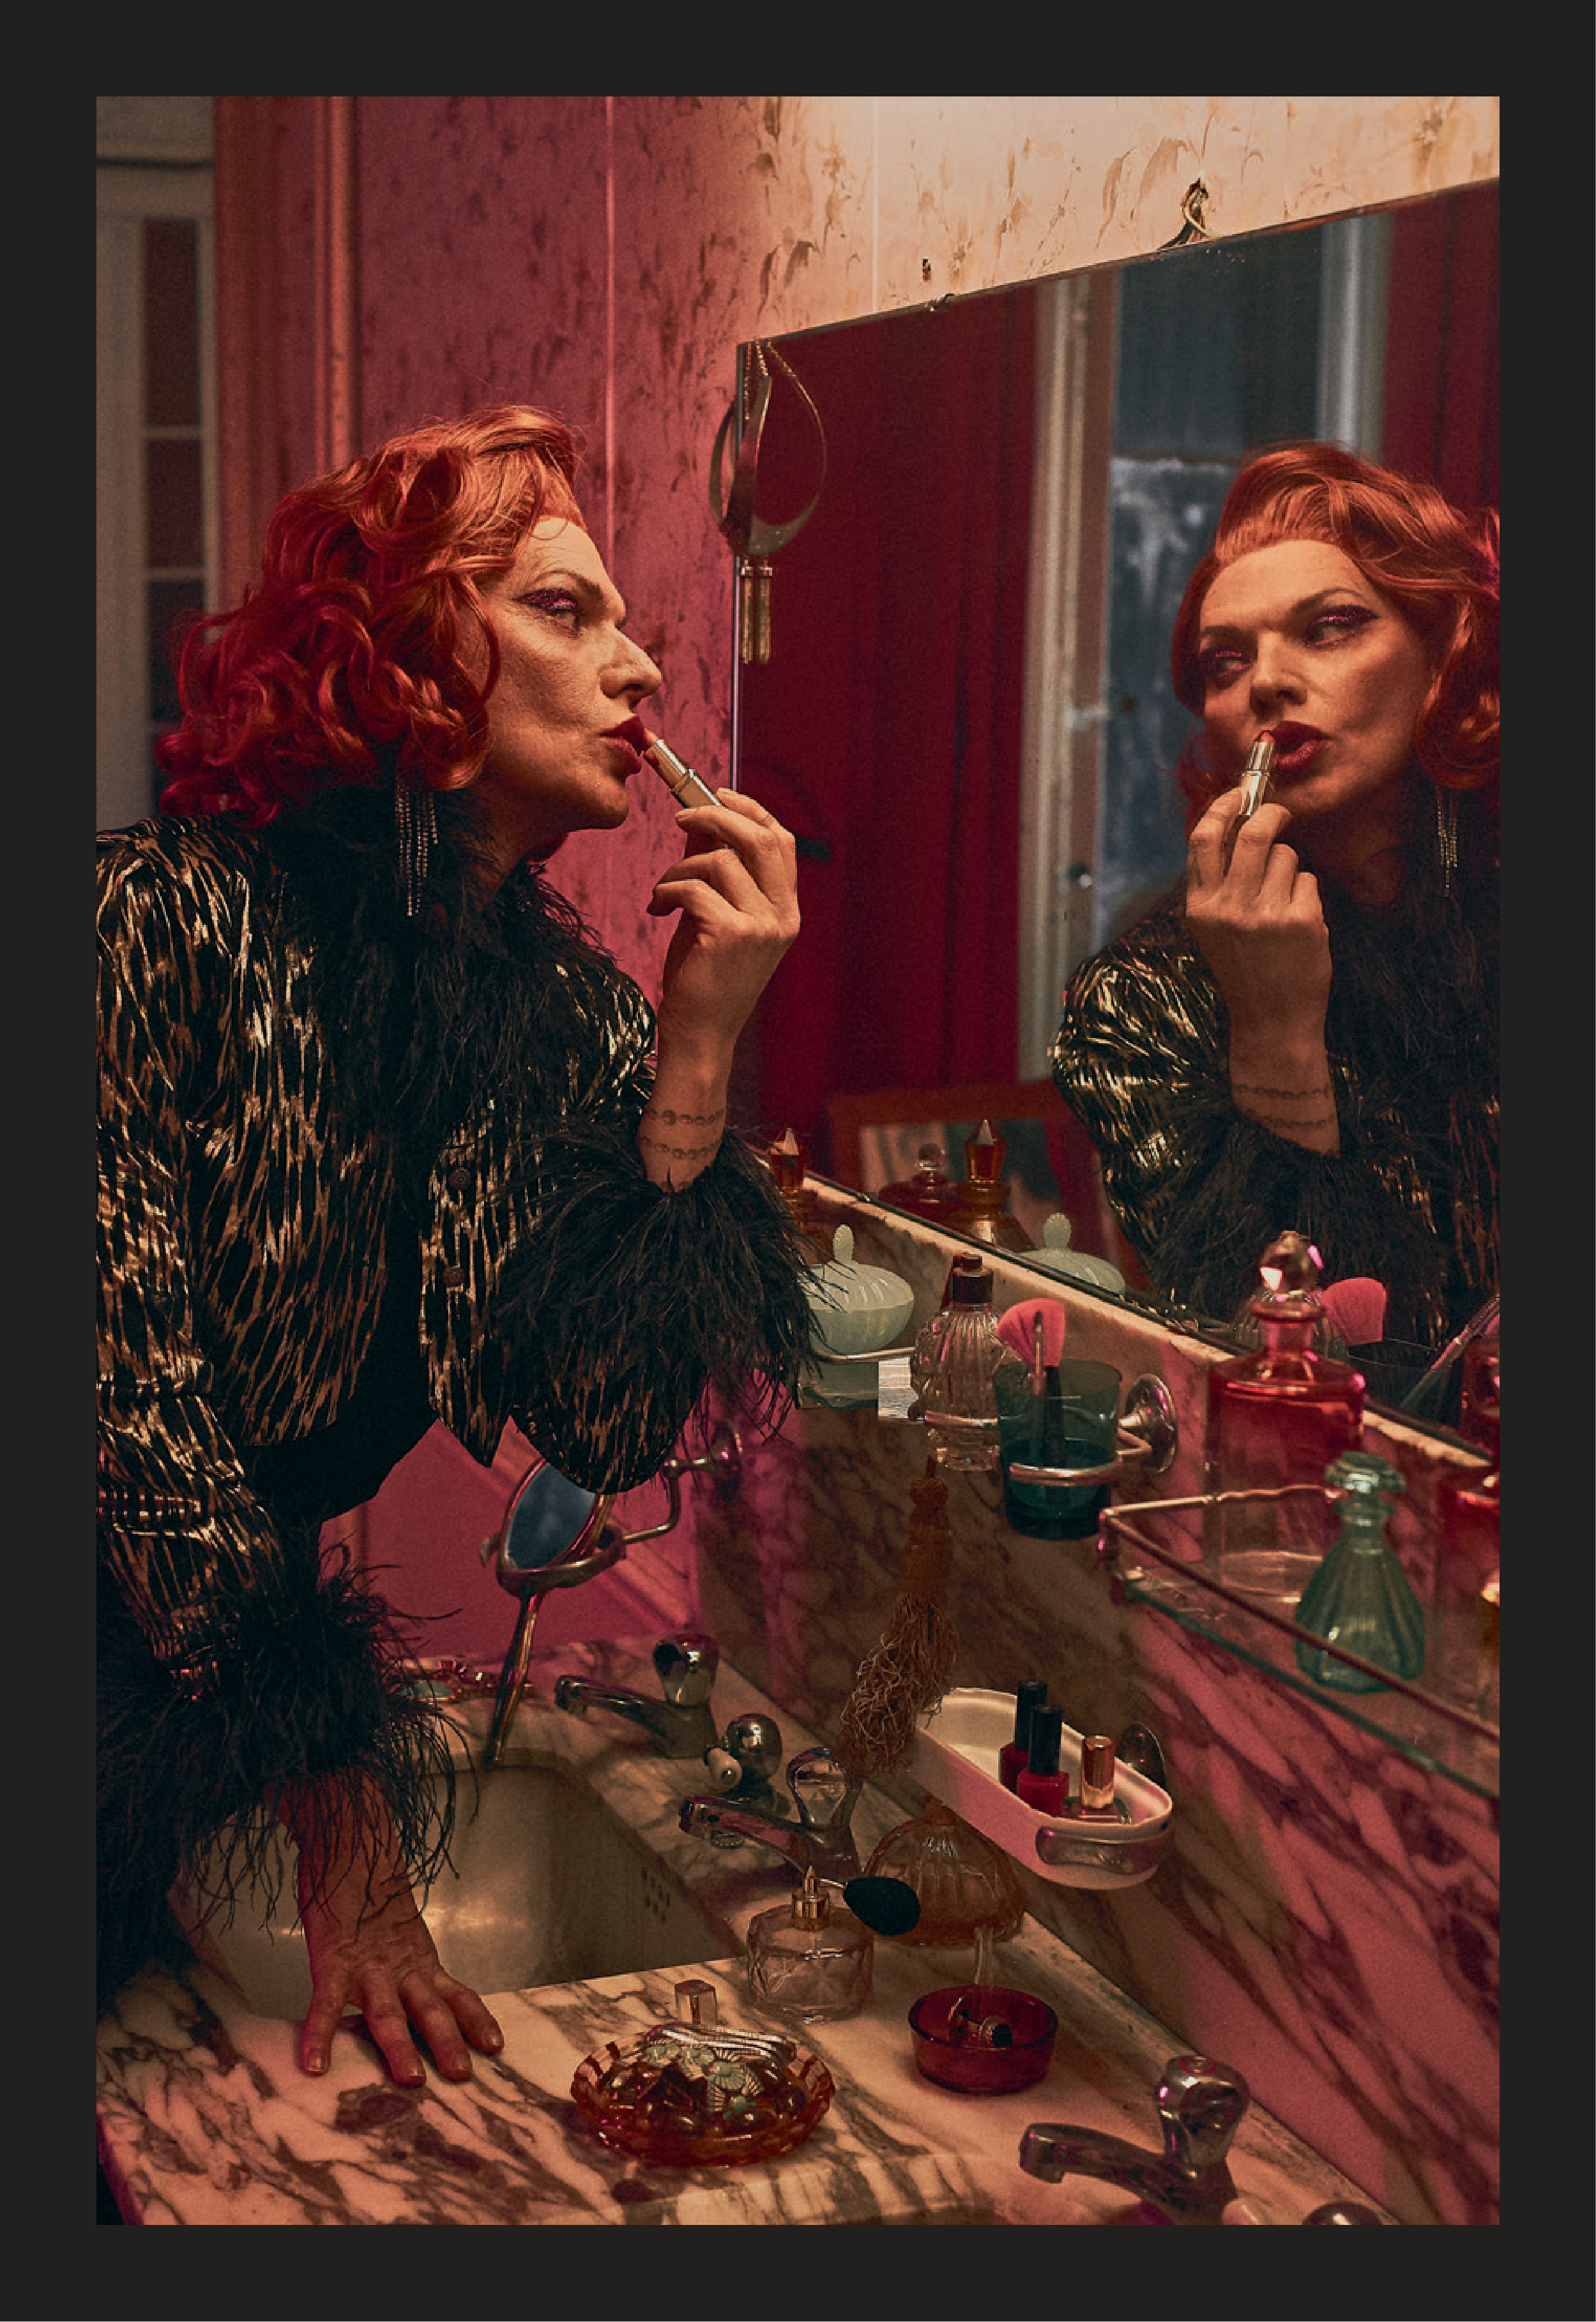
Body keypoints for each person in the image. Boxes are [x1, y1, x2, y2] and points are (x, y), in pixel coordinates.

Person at [98, 405, 814, 2087]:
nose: (641, 667)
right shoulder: (157, 919)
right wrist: (352, 1840)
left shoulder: (569, 1024)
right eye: (565, 607)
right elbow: (129, 1415)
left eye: (625, 620)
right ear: (407, 656)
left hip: (194, 1696)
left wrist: (698, 1047)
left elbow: (604, 1422)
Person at [1052, 443, 1498, 1375]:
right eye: (1226, 661)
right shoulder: (1140, 997)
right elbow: (1280, 1367)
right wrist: (1273, 1034)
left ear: (1443, 655)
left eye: (1329, 627)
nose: (1265, 681)